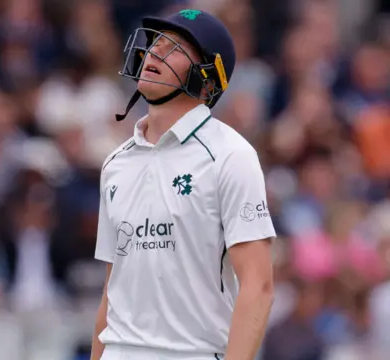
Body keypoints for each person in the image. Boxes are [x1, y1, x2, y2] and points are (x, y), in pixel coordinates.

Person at [90, 9, 277, 360]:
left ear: (207, 78)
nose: (155, 52)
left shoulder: (232, 156)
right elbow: (111, 293)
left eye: (175, 47)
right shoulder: (115, 164)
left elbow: (259, 286)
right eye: (156, 42)